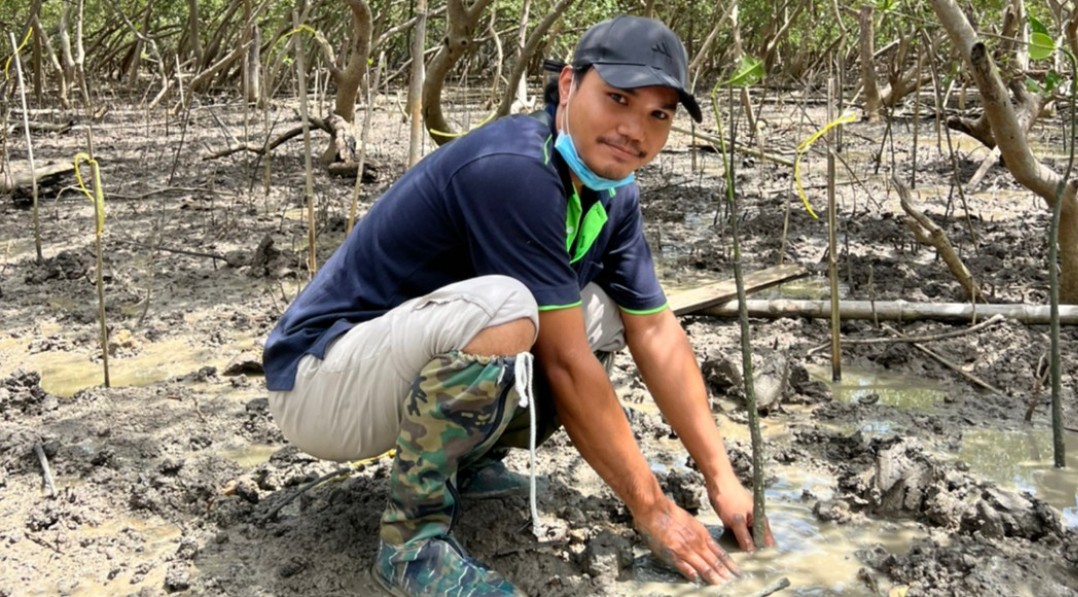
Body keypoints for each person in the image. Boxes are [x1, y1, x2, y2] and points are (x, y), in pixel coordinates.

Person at [262, 14, 769, 596]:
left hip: (390, 370)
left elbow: (656, 333)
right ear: (568, 86)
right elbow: (564, 364)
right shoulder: (515, 169)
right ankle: (412, 546)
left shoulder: (613, 191)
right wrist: (652, 509)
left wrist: (721, 478)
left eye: (658, 114)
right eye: (618, 99)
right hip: (319, 385)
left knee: (599, 309)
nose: (635, 129)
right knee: (510, 308)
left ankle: (465, 466)